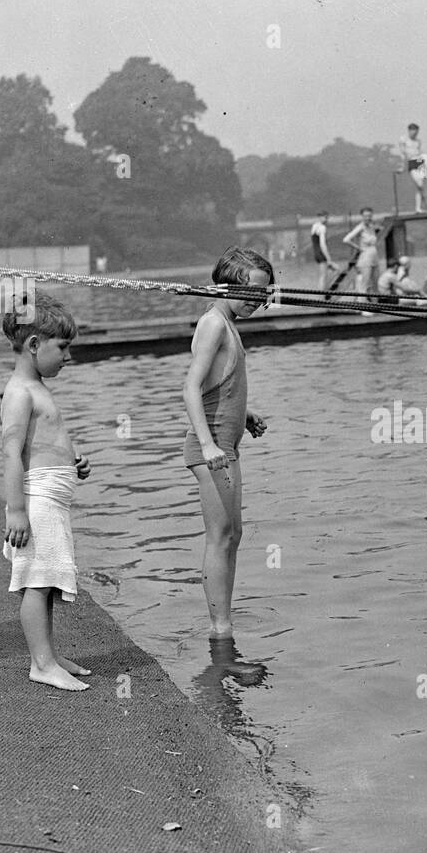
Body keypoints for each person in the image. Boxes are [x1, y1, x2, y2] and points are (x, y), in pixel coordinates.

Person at [0, 293, 93, 692]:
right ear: (34, 345)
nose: (68, 357)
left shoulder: (36, 386)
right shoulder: (20, 391)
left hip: (53, 498)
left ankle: (50, 654)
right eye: (63, 347)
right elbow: (12, 451)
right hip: (36, 501)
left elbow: (44, 445)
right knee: (36, 581)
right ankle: (40, 663)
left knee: (48, 579)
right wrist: (15, 510)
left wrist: (72, 461)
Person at [183, 246, 270, 641]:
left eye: (264, 294)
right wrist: (208, 445)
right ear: (226, 287)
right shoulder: (214, 323)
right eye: (252, 292)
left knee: (233, 534)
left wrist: (244, 412)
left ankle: (225, 624)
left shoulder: (227, 322)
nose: (259, 301)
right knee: (220, 537)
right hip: (213, 448)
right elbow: (190, 388)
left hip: (225, 442)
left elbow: (220, 386)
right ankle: (220, 631)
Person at [341, 207, 381, 294]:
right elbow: (346, 239)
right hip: (365, 257)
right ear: (362, 217)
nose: (368, 218)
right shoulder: (360, 227)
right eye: (365, 216)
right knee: (365, 284)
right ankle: (361, 305)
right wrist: (358, 248)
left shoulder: (371, 227)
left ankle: (376, 306)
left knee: (375, 285)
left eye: (370, 216)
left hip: (374, 256)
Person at [397, 123, 427, 213]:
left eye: (416, 132)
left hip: (420, 162)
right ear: (409, 131)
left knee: (420, 187)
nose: (415, 134)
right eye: (413, 132)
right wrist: (402, 167)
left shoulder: (418, 141)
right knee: (420, 184)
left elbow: (421, 152)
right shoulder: (403, 140)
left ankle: (419, 208)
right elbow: (403, 154)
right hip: (411, 162)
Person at [310, 212, 339, 290]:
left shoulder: (314, 226)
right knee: (335, 270)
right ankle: (323, 292)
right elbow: (323, 244)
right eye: (325, 218)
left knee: (323, 275)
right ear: (320, 217)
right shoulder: (322, 227)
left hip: (316, 253)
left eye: (327, 218)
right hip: (321, 253)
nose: (326, 220)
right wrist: (329, 259)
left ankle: (324, 290)